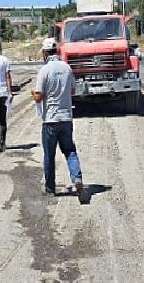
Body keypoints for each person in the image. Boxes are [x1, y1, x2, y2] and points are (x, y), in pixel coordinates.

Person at [31, 39, 88, 203]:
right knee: (70, 150)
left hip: (50, 120)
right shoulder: (67, 68)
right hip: (66, 119)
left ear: (45, 53)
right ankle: (77, 178)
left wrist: (32, 94)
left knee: (49, 155)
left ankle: (50, 189)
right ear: (56, 51)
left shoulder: (44, 71)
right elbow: (72, 91)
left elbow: (39, 97)